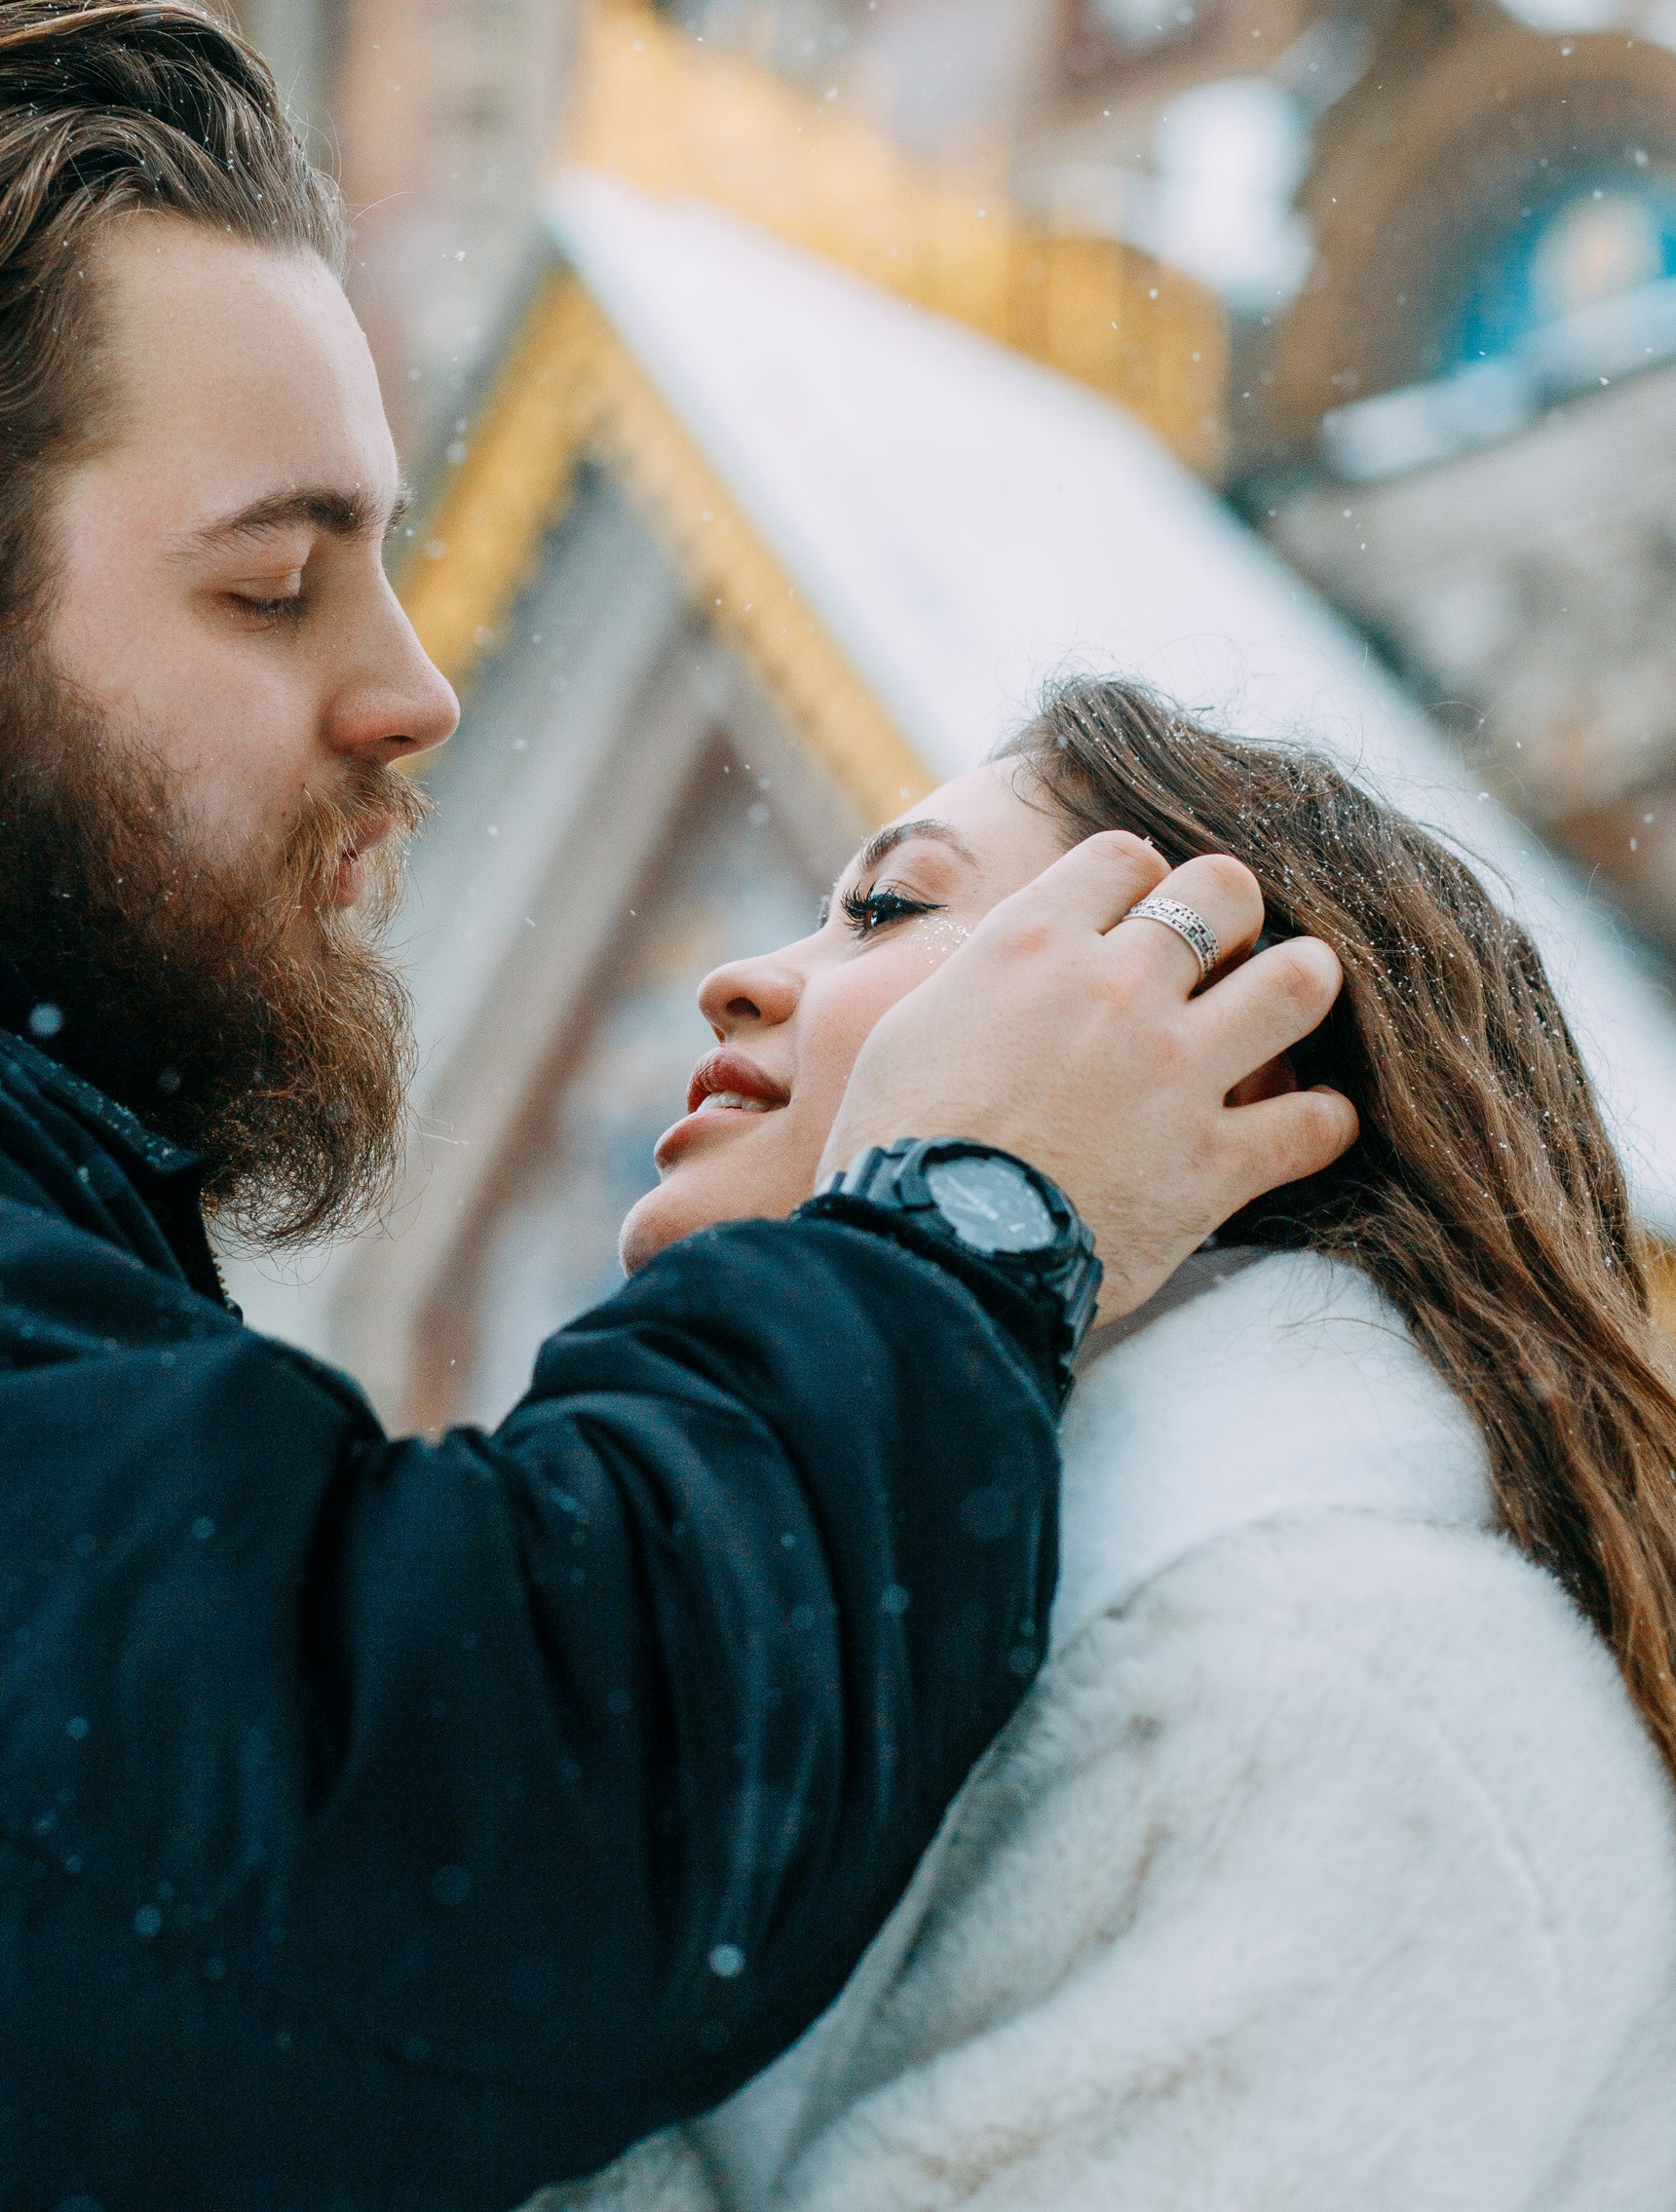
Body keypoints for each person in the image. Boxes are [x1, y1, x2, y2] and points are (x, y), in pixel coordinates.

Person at [0, 0, 1355, 2212]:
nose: (414, 688)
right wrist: (965, 1215)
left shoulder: (1351, 1686)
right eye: (272, 585)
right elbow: (404, 1833)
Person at [543, 676, 1676, 2212]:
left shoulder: (1333, 1686)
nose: (735, 978)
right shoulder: (857, 1641)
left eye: (884, 907)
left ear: (1218, 1057)